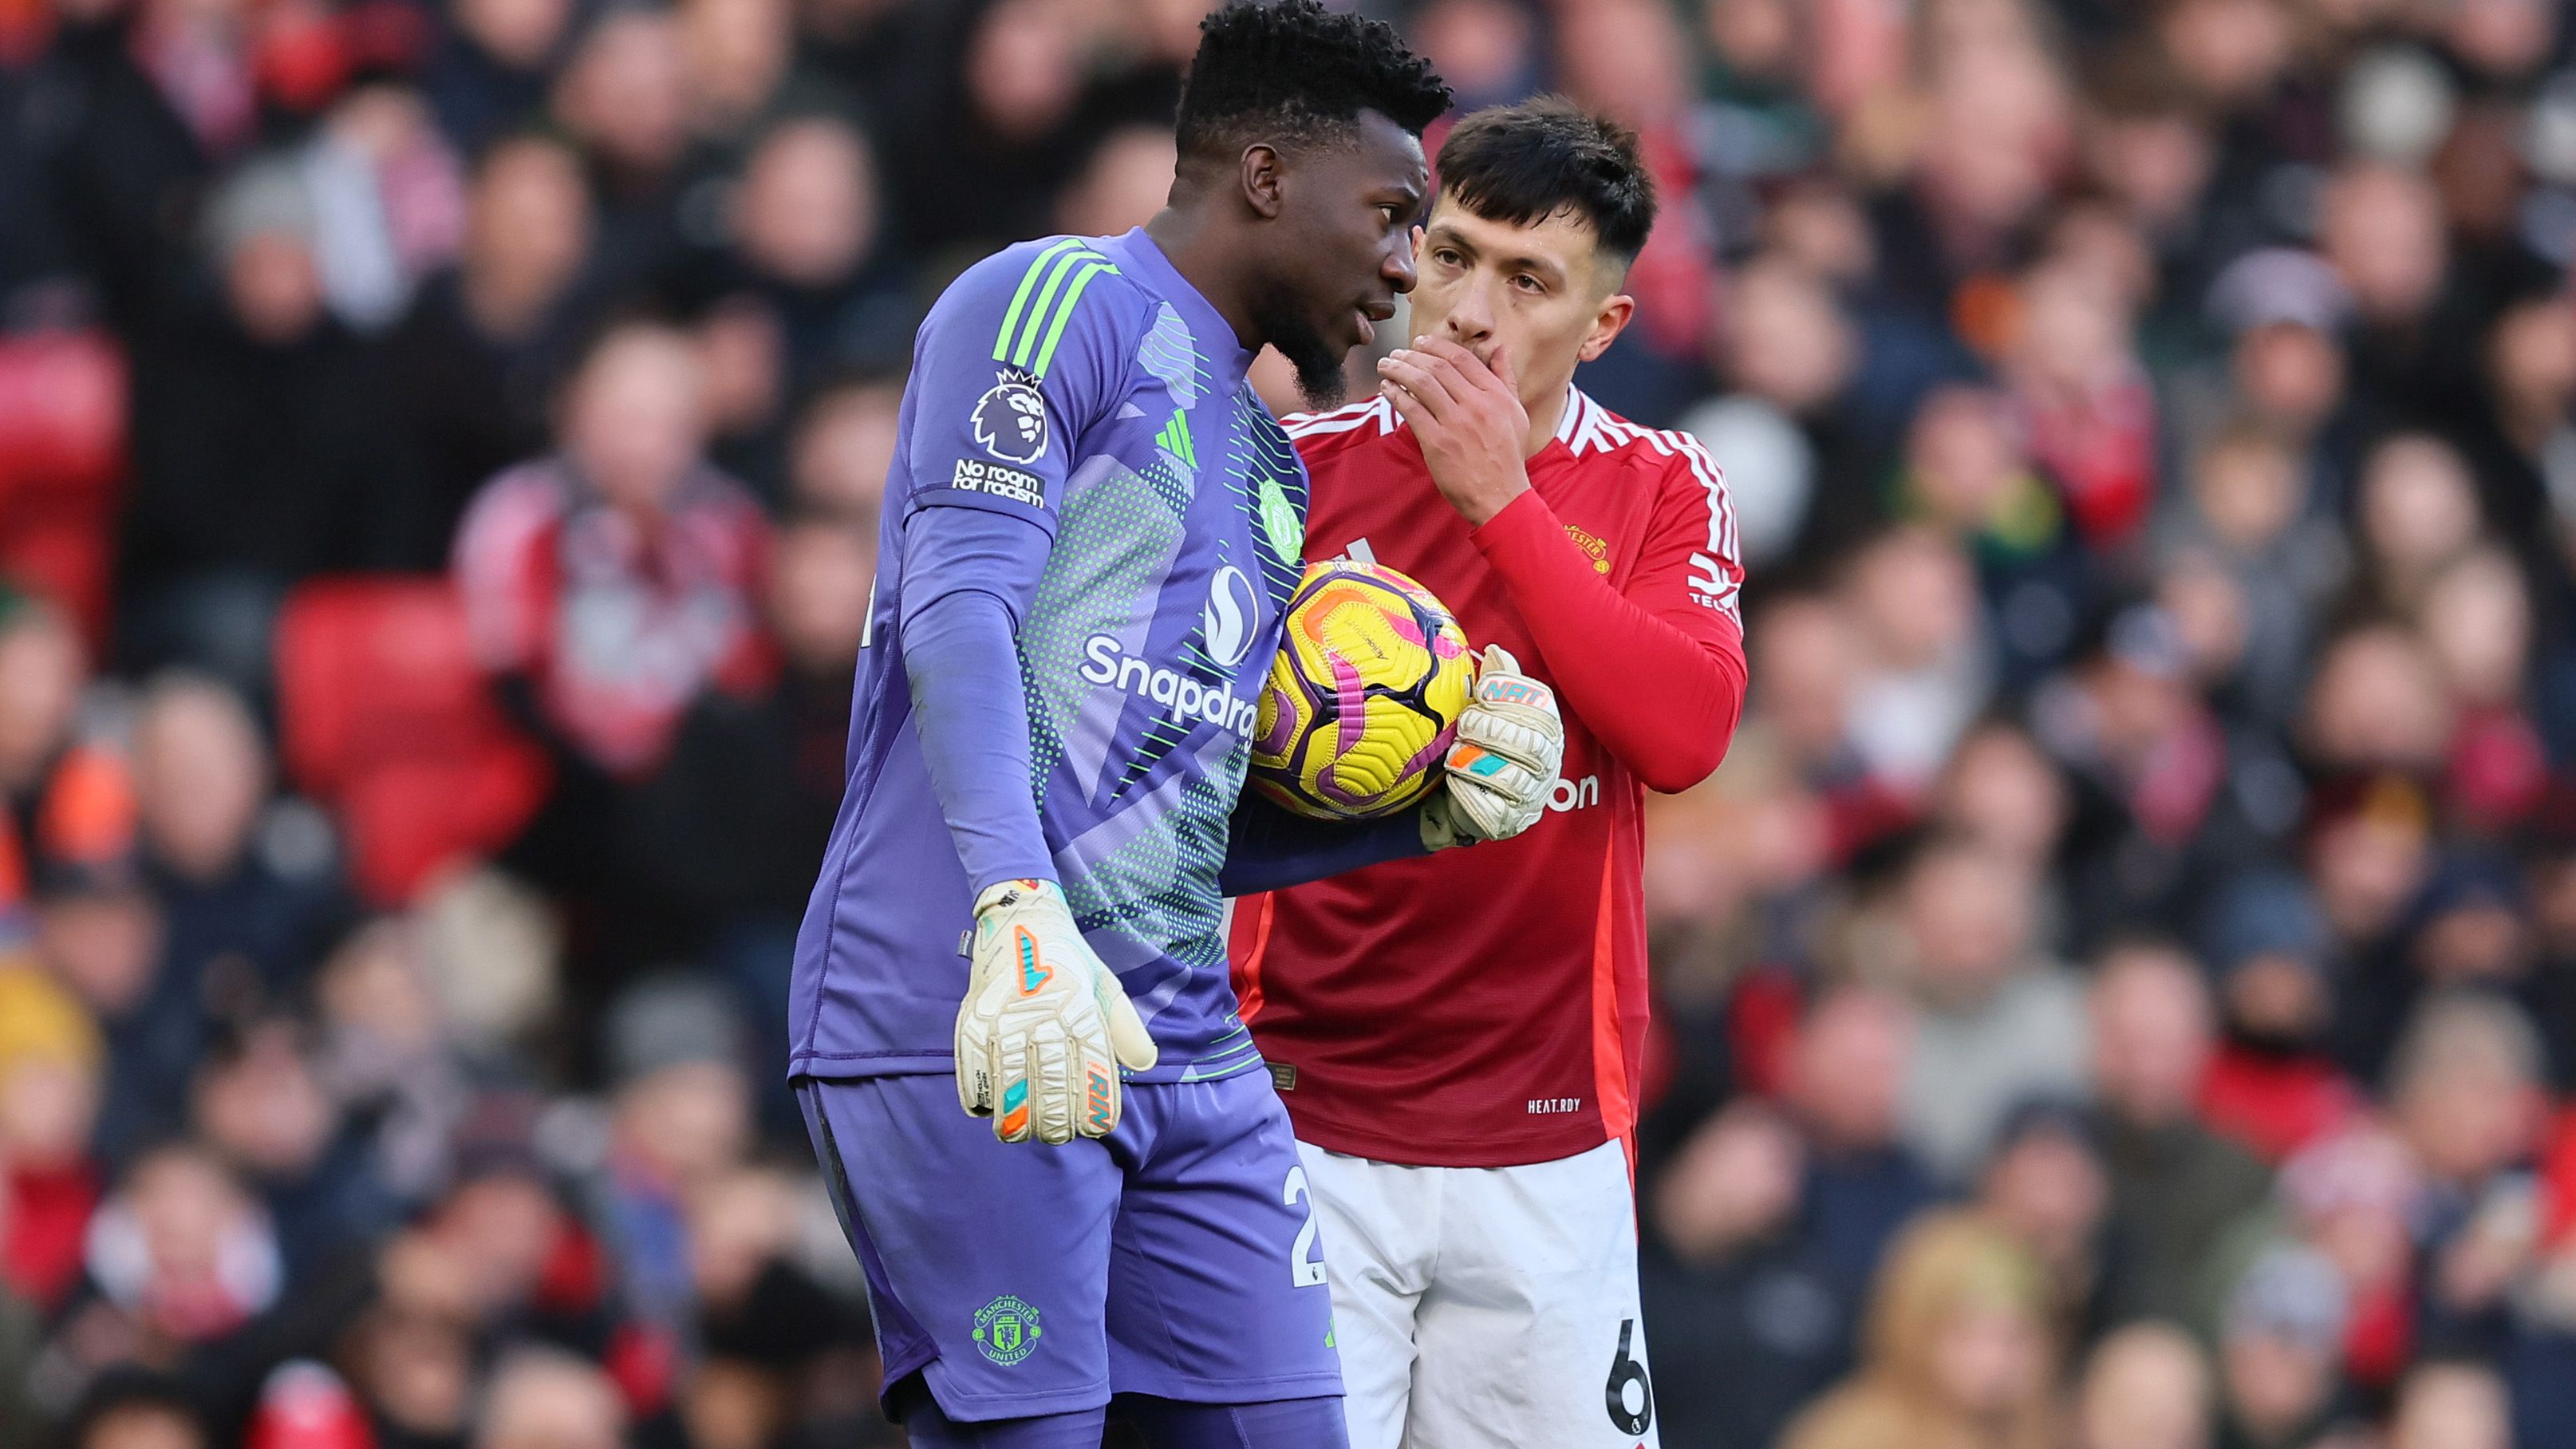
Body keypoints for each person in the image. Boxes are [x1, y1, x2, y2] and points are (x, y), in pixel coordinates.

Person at [787, 8, 1543, 1447]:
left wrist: (1420, 812)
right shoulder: (1052, 304)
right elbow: (959, 613)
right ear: (1263, 176)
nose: (1404, 268)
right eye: (1390, 214)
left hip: (1182, 1049)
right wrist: (1016, 909)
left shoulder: (1268, 466)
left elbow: (1171, 815)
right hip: (973, 1008)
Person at [1225, 97, 1749, 1449]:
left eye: (1528, 282)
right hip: (1301, 1124)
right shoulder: (1278, 479)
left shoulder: (1661, 488)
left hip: (1548, 1143)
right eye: (1450, 255)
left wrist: (1498, 507)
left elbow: (1685, 737)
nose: (1468, 310)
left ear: (1602, 326)